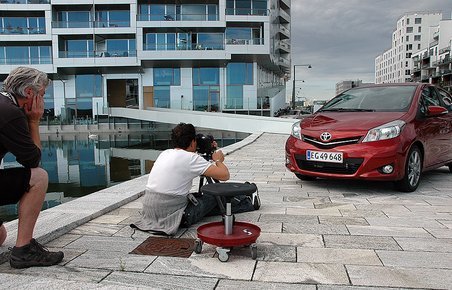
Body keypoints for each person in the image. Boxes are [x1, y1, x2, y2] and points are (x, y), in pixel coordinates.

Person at [131, 123, 260, 236]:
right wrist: (218, 159)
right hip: (177, 216)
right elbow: (224, 175)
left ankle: (244, 198)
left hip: (149, 213)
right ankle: (248, 201)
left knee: (200, 199)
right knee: (217, 198)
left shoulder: (165, 153)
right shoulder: (191, 159)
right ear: (193, 142)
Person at [0, 66, 64, 268]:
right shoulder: (10, 113)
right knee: (39, 177)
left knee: (0, 236)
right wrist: (34, 121)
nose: (43, 100)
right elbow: (32, 161)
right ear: (29, 93)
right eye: (42, 94)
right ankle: (23, 250)